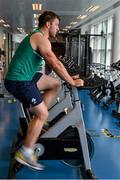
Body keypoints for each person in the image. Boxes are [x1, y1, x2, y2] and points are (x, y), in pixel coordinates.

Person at [4, 11, 84, 170]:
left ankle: (39, 119)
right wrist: (72, 81)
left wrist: (68, 77)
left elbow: (57, 64)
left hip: (28, 77)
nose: (58, 29)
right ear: (48, 24)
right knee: (42, 114)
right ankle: (26, 153)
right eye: (57, 25)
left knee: (55, 84)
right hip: (19, 80)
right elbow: (55, 64)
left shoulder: (40, 37)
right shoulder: (40, 38)